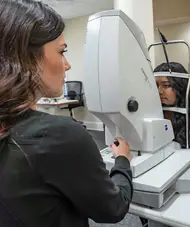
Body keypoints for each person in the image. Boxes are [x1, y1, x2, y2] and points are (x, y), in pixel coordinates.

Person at [0, 1, 132, 227]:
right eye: (62, 52)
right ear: (25, 58)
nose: (68, 65)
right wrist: (122, 160)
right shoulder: (59, 135)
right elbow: (113, 209)